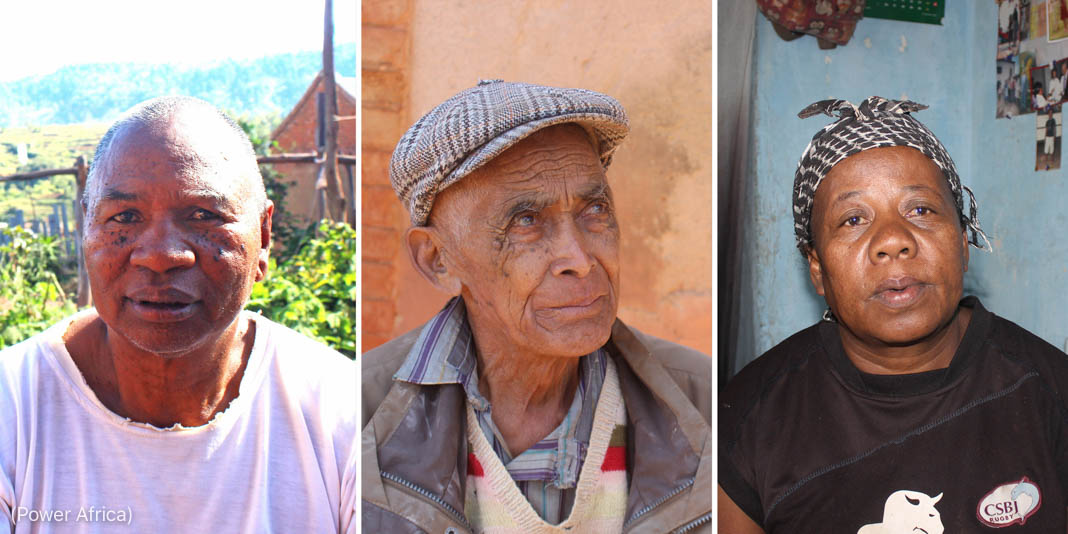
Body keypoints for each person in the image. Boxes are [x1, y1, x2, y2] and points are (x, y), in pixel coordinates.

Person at [362, 80, 712, 533]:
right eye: (526, 221)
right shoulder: (358, 421)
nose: (580, 260)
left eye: (595, 210)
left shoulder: (704, 406)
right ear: (438, 259)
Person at [0, 96, 356, 533]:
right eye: (124, 216)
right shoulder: (13, 413)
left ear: (263, 238)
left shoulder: (345, 417)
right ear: (85, 228)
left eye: (203, 215)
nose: (161, 256)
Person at [720, 96, 1068, 532]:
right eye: (852, 219)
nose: (892, 240)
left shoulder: (1048, 389)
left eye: (920, 210)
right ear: (817, 269)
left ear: (962, 242)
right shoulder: (747, 418)